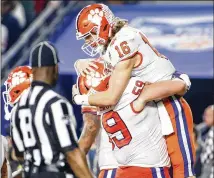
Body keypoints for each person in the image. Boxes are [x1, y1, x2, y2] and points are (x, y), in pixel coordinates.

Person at [73, 3, 195, 178]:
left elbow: (111, 97)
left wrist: (81, 98)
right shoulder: (114, 44)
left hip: (168, 104)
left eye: (89, 35)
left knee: (183, 173)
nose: (88, 42)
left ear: (103, 26)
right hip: (151, 108)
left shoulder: (124, 42)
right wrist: (79, 63)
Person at [11, 41, 93, 178]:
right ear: (55, 68)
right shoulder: (55, 103)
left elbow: (19, 153)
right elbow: (71, 152)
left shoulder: (19, 107)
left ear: (33, 70)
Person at [199, 105, 214, 178]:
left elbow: (206, 158)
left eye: (208, 115)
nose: (204, 118)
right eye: (204, 115)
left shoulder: (212, 132)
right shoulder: (203, 128)